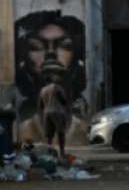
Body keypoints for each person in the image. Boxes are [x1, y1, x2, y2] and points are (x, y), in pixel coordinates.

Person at [14, 11, 87, 143]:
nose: (51, 53)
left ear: (78, 57)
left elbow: (43, 103)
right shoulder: (24, 128)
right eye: (36, 47)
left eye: (65, 46)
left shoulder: (82, 128)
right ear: (23, 59)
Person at [38, 75, 69, 159]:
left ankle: (49, 152)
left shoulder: (43, 90)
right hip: (57, 111)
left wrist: (47, 103)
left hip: (47, 113)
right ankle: (62, 152)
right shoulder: (56, 87)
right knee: (61, 133)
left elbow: (40, 105)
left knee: (49, 135)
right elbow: (64, 99)